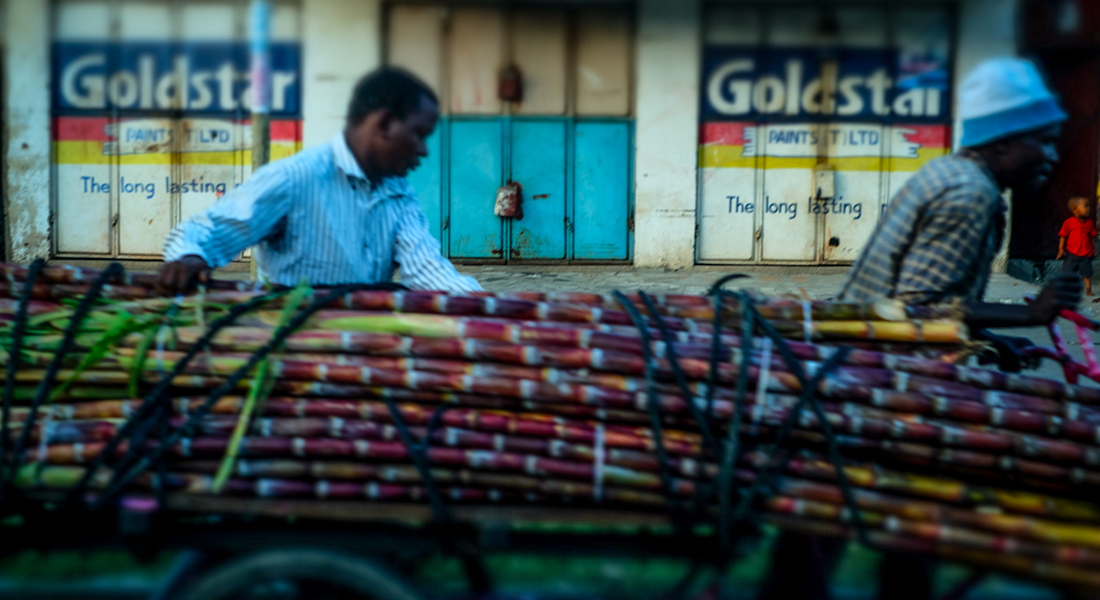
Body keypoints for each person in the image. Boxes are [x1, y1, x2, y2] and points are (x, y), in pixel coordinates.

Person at [761, 58, 1082, 600]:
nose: (1052, 157)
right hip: (882, 381)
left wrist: (993, 337)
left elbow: (933, 306)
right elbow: (914, 311)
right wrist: (1028, 315)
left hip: (854, 371)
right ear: (1004, 140)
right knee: (908, 522)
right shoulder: (968, 195)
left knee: (838, 512)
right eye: (1044, 142)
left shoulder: (949, 173)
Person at [156, 68, 481, 295]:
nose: (423, 150)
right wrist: (189, 258)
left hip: (364, 352)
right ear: (383, 123)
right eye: (419, 135)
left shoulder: (397, 191)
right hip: (294, 351)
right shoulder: (296, 178)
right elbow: (209, 230)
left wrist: (484, 304)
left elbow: (426, 269)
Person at [1057, 197, 1097, 296]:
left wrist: (1094, 249)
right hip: (1072, 253)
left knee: (1087, 274)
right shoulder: (1069, 222)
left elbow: (1092, 237)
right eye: (1085, 206)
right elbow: (1063, 236)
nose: (1088, 209)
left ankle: (1088, 290)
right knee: (1067, 273)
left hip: (1086, 254)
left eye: (1089, 207)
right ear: (1076, 210)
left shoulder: (1089, 223)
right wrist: (1061, 248)